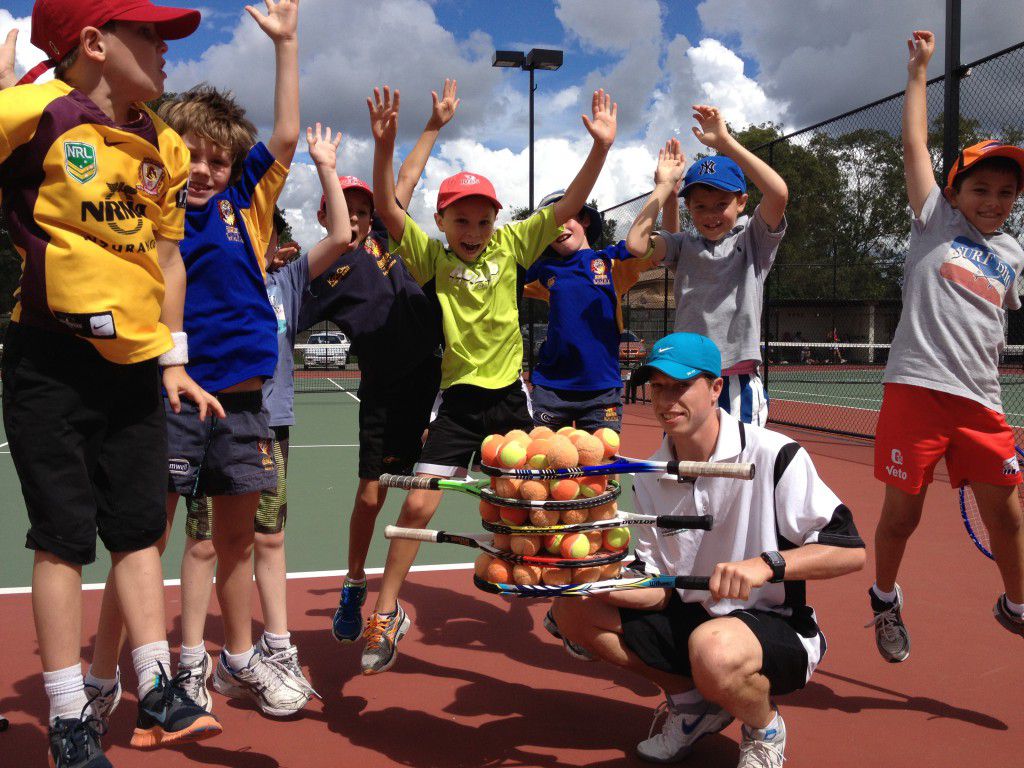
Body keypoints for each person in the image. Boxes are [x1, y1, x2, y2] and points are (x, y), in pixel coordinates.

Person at [0, 1, 225, 764]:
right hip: (48, 360)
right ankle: (68, 716)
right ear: (95, 44)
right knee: (63, 538)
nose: (165, 53)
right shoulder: (32, 112)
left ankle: (157, 683)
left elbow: (166, 262)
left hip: (132, 367)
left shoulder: (161, 144)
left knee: (137, 530)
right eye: (150, 35)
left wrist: (175, 358)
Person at [361, 86, 618, 674]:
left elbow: (569, 205)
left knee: (547, 504)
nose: (473, 229)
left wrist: (599, 150)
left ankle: (567, 611)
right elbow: (385, 208)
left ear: (497, 220)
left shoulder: (512, 244)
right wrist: (386, 146)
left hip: (510, 401)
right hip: (458, 405)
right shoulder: (431, 258)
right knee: (417, 506)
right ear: (442, 221)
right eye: (461, 219)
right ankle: (387, 610)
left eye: (482, 218)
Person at [551, 333, 865, 766]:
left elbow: (849, 551)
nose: (666, 400)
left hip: (774, 626)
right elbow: (658, 586)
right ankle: (692, 706)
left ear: (716, 388)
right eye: (657, 387)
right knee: (571, 611)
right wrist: (584, 581)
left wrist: (766, 564)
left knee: (712, 650)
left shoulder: (774, 455)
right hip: (693, 615)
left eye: (680, 385)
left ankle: (764, 728)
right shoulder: (649, 475)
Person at [173, 124, 351, 705]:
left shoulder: (288, 282)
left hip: (268, 424)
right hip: (212, 409)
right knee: (203, 541)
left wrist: (326, 164)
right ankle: (190, 662)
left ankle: (271, 650)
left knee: (264, 537)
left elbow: (345, 235)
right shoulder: (208, 258)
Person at [868, 30, 1024, 661]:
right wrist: (918, 72)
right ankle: (884, 598)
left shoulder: (1014, 255)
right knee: (903, 518)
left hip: (981, 402)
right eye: (981, 190)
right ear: (956, 193)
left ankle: (1015, 605)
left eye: (1007, 192)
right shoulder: (934, 220)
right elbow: (913, 147)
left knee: (1010, 517)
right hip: (916, 392)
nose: (994, 201)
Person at [297, 82, 459, 645]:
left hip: (439, 383)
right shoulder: (319, 276)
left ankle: (389, 609)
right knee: (371, 496)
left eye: (367, 208)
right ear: (328, 214)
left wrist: (433, 125)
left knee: (424, 496)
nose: (361, 216)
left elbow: (405, 180)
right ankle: (353, 581)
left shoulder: (396, 245)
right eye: (350, 209)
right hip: (385, 393)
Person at [626, 105, 790, 427]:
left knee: (738, 470)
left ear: (741, 202)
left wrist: (725, 143)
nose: (711, 214)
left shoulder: (752, 239)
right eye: (700, 206)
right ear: (689, 207)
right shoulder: (685, 245)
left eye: (721, 204)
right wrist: (663, 189)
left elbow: (778, 193)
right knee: (684, 469)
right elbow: (636, 245)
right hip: (685, 377)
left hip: (735, 381)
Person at [521, 167, 677, 432]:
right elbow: (499, 279)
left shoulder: (610, 261)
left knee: (600, 465)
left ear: (585, 220)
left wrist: (669, 195)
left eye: (567, 217)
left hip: (601, 390)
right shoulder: (543, 270)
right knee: (544, 464)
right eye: (550, 224)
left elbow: (670, 245)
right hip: (551, 388)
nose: (559, 227)